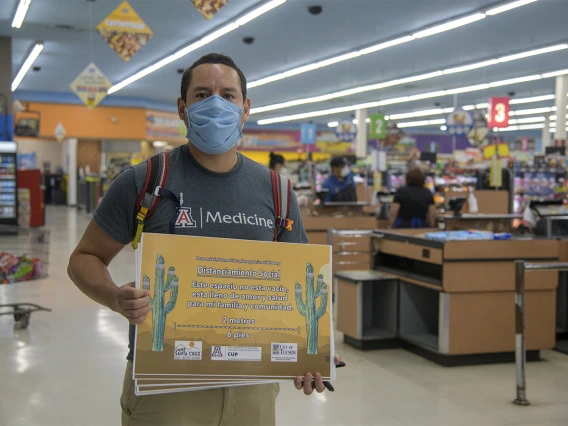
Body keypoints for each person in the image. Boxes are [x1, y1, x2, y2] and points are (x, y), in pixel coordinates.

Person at [67, 53, 340, 426]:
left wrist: (310, 355)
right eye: (202, 94)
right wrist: (114, 297)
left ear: (245, 108)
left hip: (252, 387)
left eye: (228, 95)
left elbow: (301, 288)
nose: (216, 103)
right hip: (164, 385)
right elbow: (84, 257)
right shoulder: (145, 181)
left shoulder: (277, 190)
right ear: (182, 108)